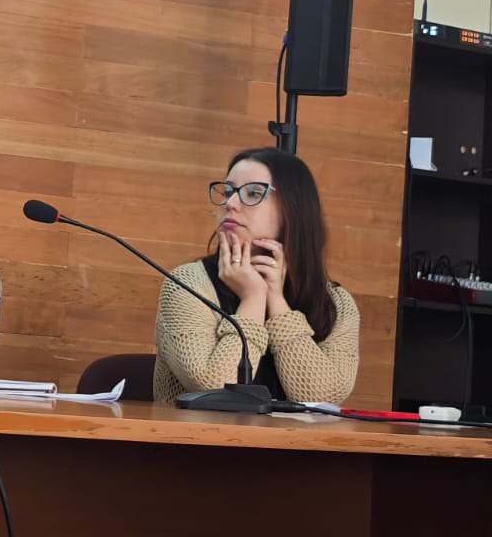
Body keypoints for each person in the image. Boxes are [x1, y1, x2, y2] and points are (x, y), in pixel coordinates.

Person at [153, 147, 361, 405]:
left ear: (293, 209)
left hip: (288, 435)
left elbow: (322, 398)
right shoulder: (186, 284)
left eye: (253, 193)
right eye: (228, 191)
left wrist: (276, 302)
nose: (230, 203)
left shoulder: (336, 303)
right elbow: (215, 387)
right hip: (201, 432)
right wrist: (253, 297)